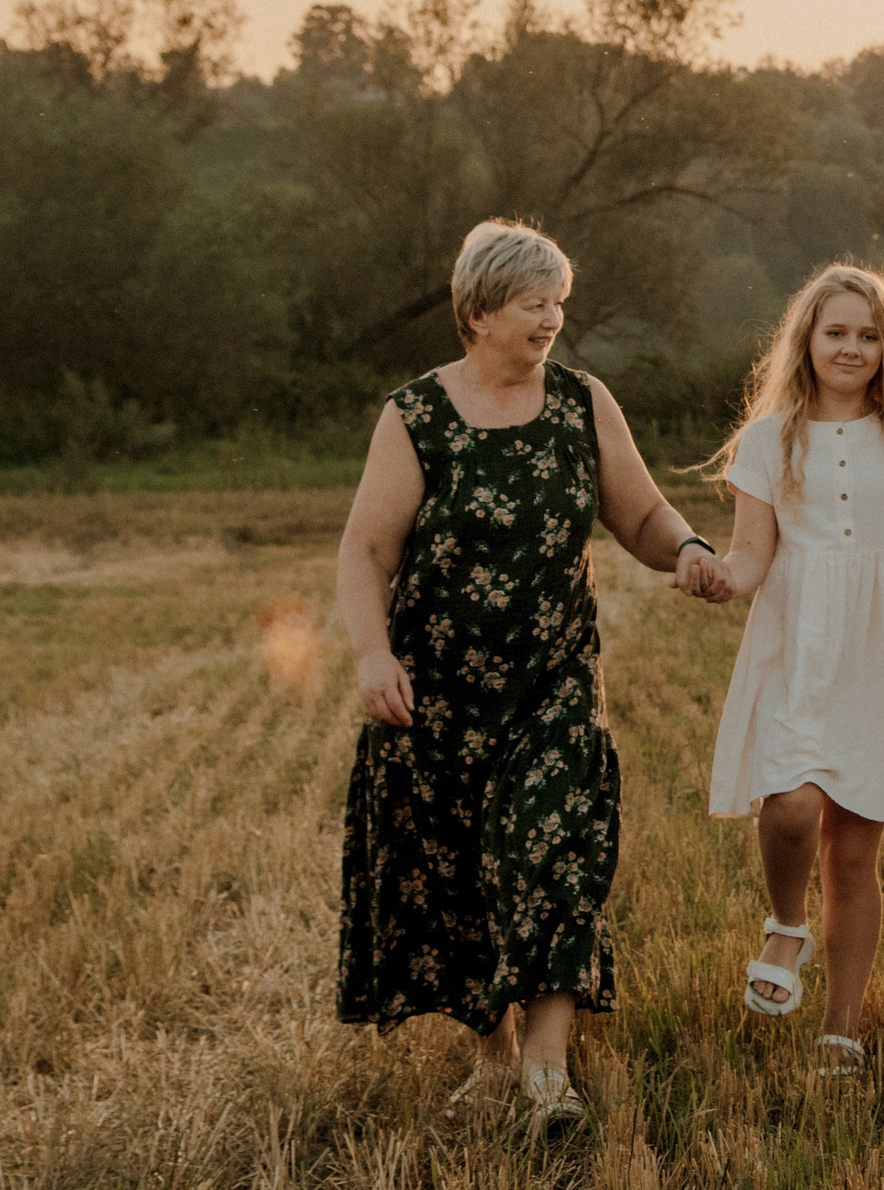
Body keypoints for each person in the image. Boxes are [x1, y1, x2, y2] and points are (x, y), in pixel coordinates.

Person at [336, 219, 733, 1135]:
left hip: (552, 680)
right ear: (478, 312)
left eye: (560, 300)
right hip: (438, 691)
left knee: (552, 852)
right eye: (535, 302)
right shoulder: (416, 414)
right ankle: (493, 1056)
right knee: (469, 880)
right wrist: (371, 652)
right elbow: (366, 548)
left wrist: (689, 548)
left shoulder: (581, 401)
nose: (554, 317)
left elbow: (637, 512)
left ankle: (547, 1071)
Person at [689, 263, 884, 1078]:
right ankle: (787, 924)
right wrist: (721, 576)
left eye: (869, 336)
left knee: (855, 853)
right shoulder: (769, 439)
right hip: (798, 643)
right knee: (792, 805)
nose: (852, 348)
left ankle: (842, 1026)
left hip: (878, 649)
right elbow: (753, 553)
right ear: (806, 339)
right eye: (836, 332)